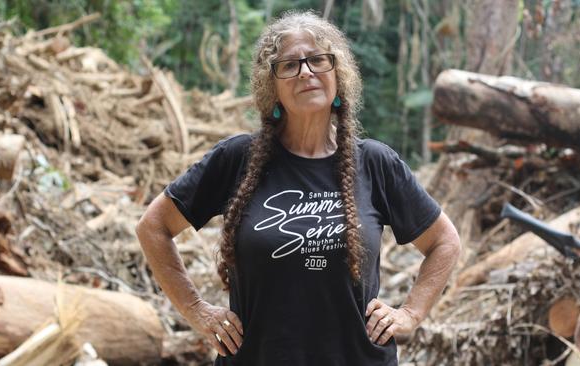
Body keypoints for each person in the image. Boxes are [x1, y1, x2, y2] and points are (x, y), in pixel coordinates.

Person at [136, 10, 461, 366]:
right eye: (289, 65)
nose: (305, 71)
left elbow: (444, 242)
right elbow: (154, 227)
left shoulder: (376, 163)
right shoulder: (236, 159)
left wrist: (410, 313)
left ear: (337, 74)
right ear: (271, 85)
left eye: (317, 60)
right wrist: (197, 310)